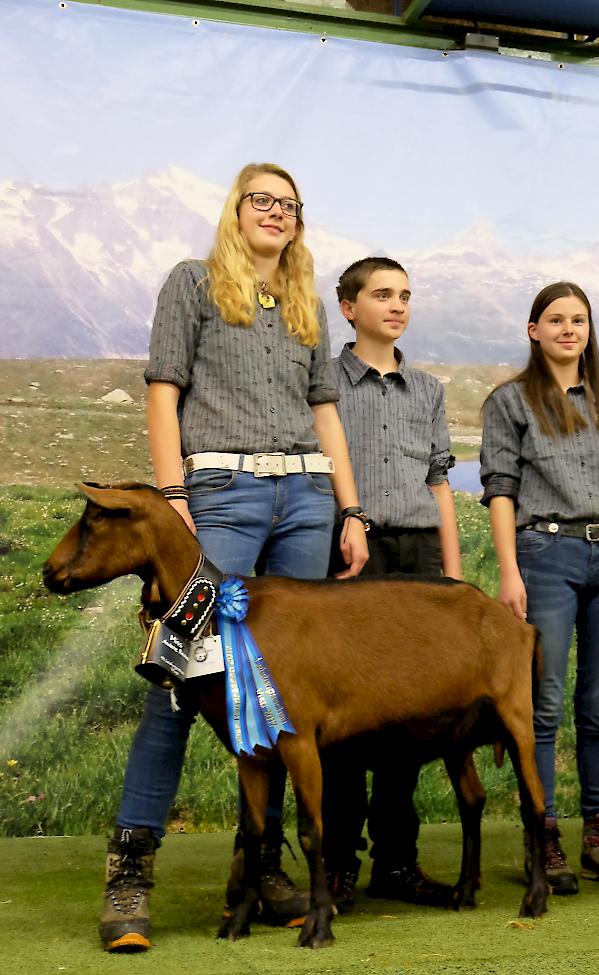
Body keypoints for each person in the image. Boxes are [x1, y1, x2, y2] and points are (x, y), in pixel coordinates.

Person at [99, 162, 369, 952]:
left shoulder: (307, 302)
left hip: (307, 501)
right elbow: (162, 390)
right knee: (178, 677)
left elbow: (325, 410)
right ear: (235, 209)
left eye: (290, 205)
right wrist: (173, 497)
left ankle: (259, 868)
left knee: (282, 697)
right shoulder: (191, 282)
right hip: (219, 493)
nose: (276, 214)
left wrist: (349, 508)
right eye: (263, 200)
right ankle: (129, 875)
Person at [480, 281, 599, 895]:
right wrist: (508, 570)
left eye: (578, 320)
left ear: (588, 330)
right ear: (534, 331)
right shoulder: (511, 402)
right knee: (543, 705)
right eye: (555, 320)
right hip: (544, 554)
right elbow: (499, 487)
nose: (568, 329)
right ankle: (542, 836)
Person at [321, 256, 462, 912]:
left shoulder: (428, 389)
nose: (397, 305)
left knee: (410, 713)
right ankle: (338, 864)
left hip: (419, 556)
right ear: (349, 307)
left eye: (404, 295)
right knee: (349, 718)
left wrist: (453, 578)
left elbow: (440, 484)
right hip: (353, 551)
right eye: (382, 294)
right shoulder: (324, 379)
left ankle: (397, 861)